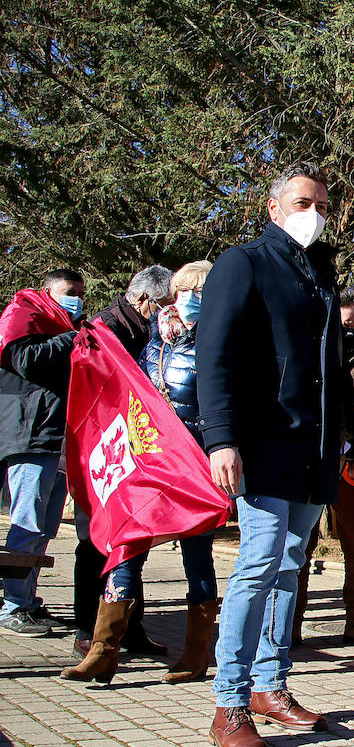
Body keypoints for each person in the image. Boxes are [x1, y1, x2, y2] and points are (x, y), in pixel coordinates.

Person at [197, 161, 354, 747]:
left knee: (290, 566)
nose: (313, 213)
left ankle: (270, 684)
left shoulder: (321, 269)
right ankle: (230, 701)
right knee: (257, 564)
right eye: (300, 203)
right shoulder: (242, 263)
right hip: (263, 443)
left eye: (321, 203)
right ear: (272, 209)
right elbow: (214, 354)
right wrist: (221, 437)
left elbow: (331, 365)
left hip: (314, 449)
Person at [62, 261, 222, 684]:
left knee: (197, 559)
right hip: (150, 465)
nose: (188, 300)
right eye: (182, 290)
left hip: (195, 469)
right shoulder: (155, 342)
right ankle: (103, 649)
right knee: (127, 547)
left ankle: (195, 654)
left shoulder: (223, 345)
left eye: (200, 292)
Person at [72, 266, 177, 659]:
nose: (170, 311)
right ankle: (89, 629)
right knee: (94, 543)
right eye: (165, 304)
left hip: (135, 454)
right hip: (100, 454)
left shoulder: (148, 332)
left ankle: (131, 628)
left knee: (133, 543)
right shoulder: (103, 330)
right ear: (145, 300)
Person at [294, 286, 354, 651]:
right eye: (339, 324)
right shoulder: (313, 352)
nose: (345, 331)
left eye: (351, 325)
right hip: (313, 459)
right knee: (300, 544)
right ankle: (291, 623)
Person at [0, 269, 84, 638]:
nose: (77, 298)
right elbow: (25, 360)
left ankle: (27, 601)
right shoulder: (25, 313)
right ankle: (13, 606)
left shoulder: (62, 322)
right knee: (27, 521)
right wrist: (70, 338)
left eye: (81, 292)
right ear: (48, 290)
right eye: (70, 292)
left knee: (45, 527)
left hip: (55, 438)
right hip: (29, 435)